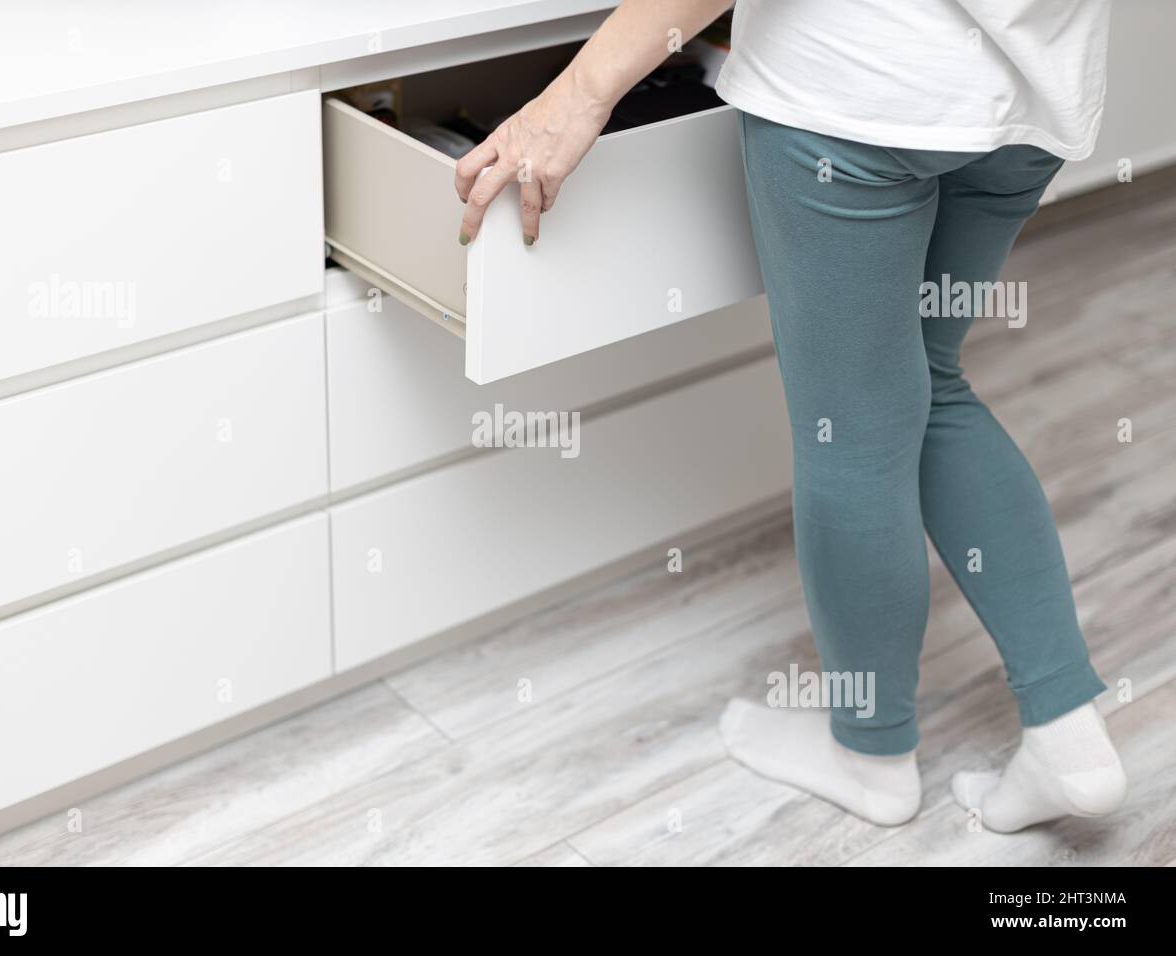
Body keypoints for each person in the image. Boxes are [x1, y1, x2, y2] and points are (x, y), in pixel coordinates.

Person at [453, 0, 1127, 831]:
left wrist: (580, 91)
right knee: (929, 383)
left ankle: (871, 755)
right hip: (1029, 100)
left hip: (862, 93)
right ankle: (1068, 736)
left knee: (854, 435)